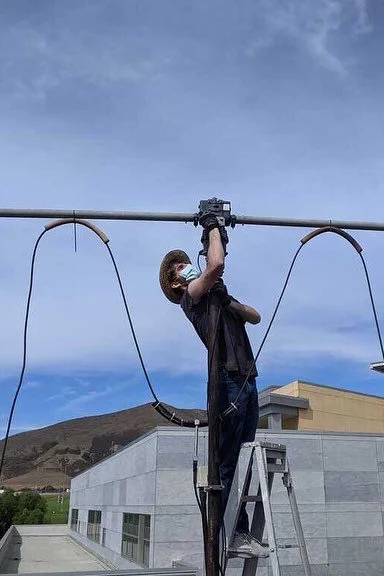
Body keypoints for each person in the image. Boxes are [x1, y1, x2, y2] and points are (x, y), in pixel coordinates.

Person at [159, 213, 268, 558]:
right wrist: (212, 228)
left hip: (247, 379)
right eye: (179, 266)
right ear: (177, 283)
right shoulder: (192, 298)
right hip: (226, 381)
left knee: (245, 456)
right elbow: (216, 264)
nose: (185, 266)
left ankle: (241, 529)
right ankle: (231, 533)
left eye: (187, 262)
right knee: (227, 462)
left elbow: (255, 315)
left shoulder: (218, 297)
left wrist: (229, 300)